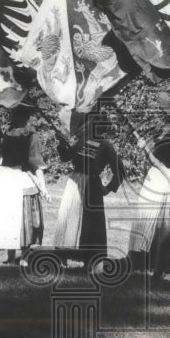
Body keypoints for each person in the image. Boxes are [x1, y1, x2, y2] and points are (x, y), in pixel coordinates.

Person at [127, 93, 170, 281]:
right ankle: (144, 264)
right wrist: (145, 148)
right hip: (155, 178)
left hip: (169, 181)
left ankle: (163, 267)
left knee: (168, 225)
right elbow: (154, 159)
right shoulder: (161, 132)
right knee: (148, 221)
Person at [0, 104, 51, 263]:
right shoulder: (29, 135)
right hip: (18, 177)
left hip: (5, 177)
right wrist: (43, 186)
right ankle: (18, 256)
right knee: (19, 217)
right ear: (25, 117)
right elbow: (36, 162)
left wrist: (0, 138)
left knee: (10, 216)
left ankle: (12, 255)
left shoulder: (8, 132)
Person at [52, 111, 126, 267]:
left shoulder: (106, 146)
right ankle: (62, 256)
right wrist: (61, 144)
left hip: (92, 185)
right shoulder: (82, 141)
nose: (88, 126)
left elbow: (120, 169)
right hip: (74, 182)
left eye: (92, 123)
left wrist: (109, 188)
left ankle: (91, 260)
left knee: (91, 224)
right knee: (68, 217)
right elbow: (67, 157)